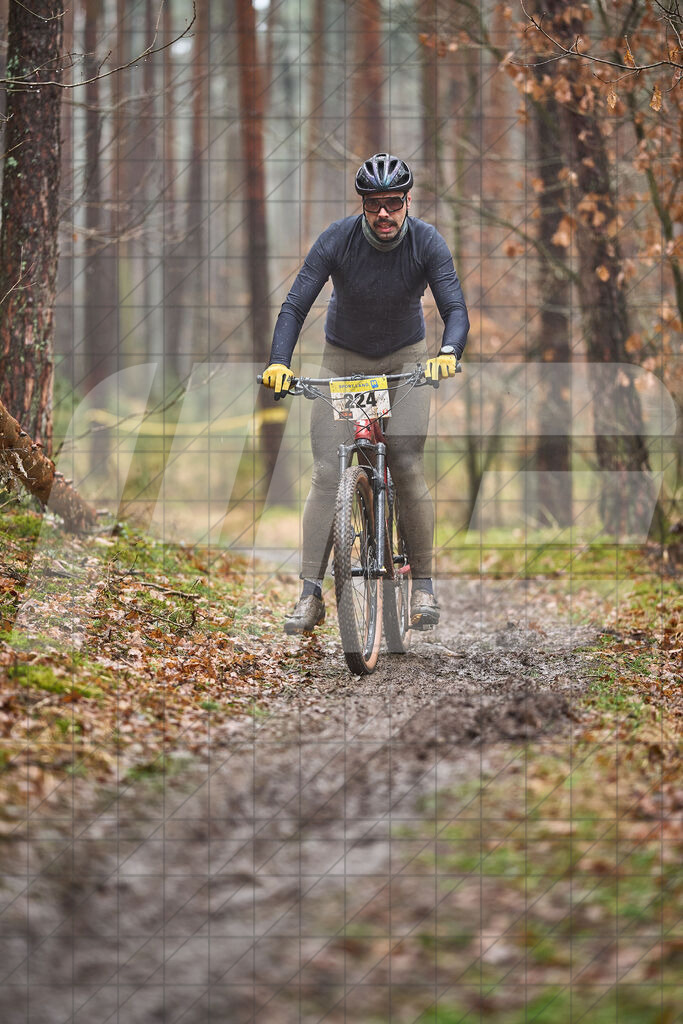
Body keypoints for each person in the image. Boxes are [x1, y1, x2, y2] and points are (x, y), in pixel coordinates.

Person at [261, 153, 469, 634]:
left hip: (405, 361)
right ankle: (310, 595)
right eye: (374, 204)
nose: (383, 213)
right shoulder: (337, 239)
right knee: (325, 472)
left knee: (406, 460)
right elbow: (295, 305)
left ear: (407, 201)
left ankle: (423, 587)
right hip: (345, 361)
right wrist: (279, 362)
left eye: (392, 203)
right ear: (363, 205)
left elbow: (455, 308)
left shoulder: (427, 242)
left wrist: (448, 352)